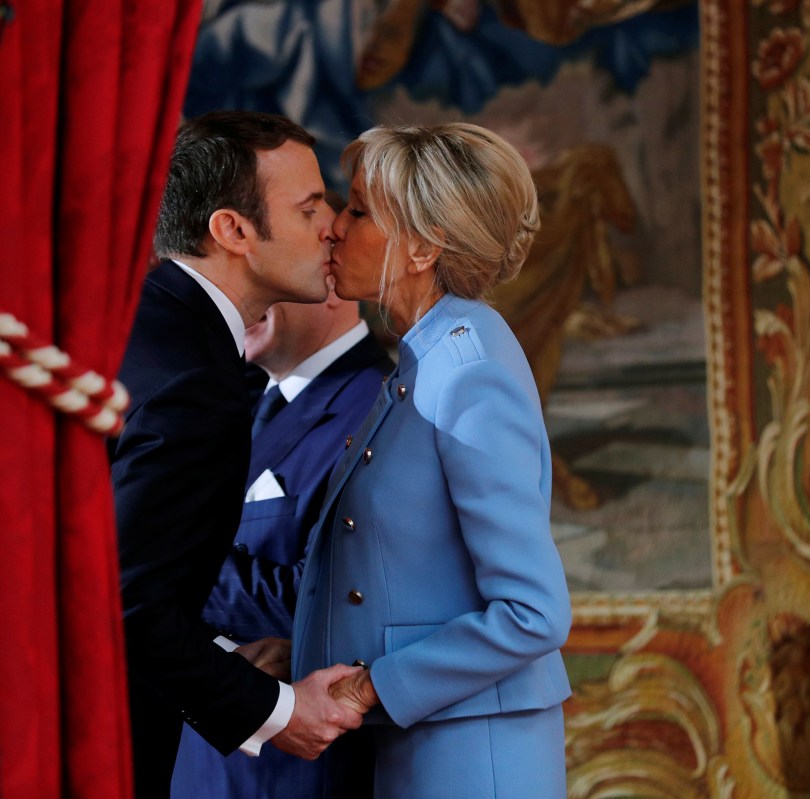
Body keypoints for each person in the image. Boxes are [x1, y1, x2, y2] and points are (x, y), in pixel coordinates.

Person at [291, 123, 573, 798]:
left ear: (421, 246)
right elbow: (403, 569)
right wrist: (305, 655)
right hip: (425, 746)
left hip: (471, 759)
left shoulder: (467, 369)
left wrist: (367, 685)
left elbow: (534, 611)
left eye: (357, 210)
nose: (334, 227)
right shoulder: (430, 355)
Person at [110, 110, 365, 798]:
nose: (332, 227)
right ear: (233, 231)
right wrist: (279, 709)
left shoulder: (139, 319)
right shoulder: (197, 379)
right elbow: (127, 601)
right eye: (310, 207)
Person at [171, 282, 393, 798]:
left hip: (295, 770)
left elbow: (335, 601)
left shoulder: (378, 406)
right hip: (214, 760)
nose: (236, 296)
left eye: (264, 279)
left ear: (330, 283)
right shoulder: (234, 402)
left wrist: (161, 563)